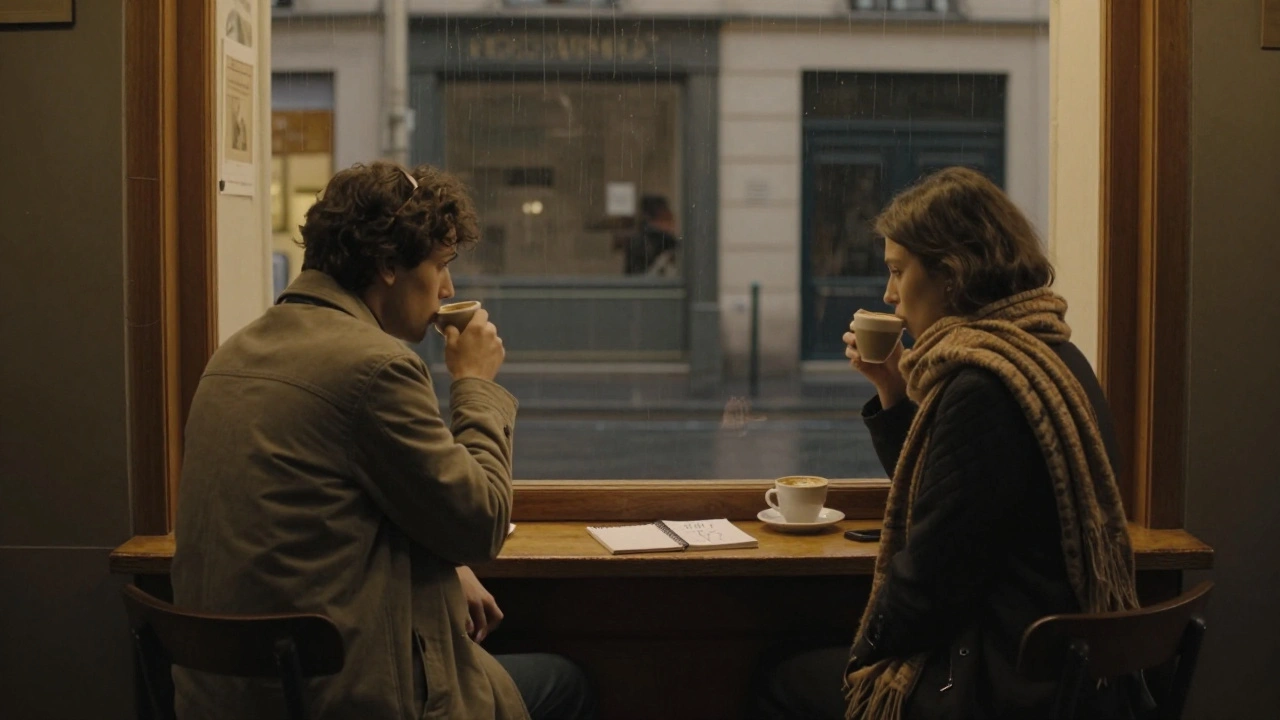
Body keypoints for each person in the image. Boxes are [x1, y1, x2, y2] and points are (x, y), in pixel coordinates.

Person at [171, 161, 595, 720]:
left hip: (229, 697)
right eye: (441, 266)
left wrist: (438, 567)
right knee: (567, 684)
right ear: (389, 264)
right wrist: (473, 385)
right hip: (334, 697)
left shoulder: (233, 355)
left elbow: (326, 513)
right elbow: (480, 522)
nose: (448, 288)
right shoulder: (375, 367)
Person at [751, 167, 1144, 719]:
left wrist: (864, 660)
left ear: (952, 276)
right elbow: (949, 495)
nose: (889, 295)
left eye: (896, 271)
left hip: (998, 684)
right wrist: (891, 387)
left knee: (779, 676)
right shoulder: (1053, 357)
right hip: (1063, 677)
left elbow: (929, 582)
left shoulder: (984, 385)